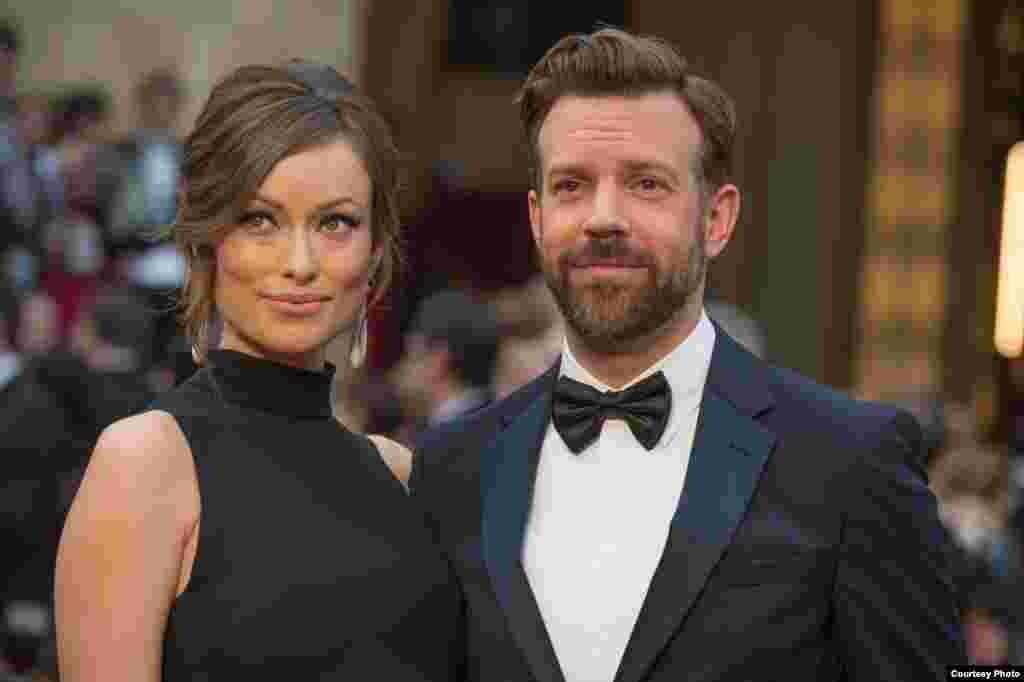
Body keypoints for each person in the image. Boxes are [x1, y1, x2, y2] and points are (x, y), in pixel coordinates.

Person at [411, 27, 965, 681]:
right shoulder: (454, 472)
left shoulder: (850, 468)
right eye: (571, 186)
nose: (602, 217)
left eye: (646, 184)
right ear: (536, 220)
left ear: (716, 219)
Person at [54, 60, 460, 680]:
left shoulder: (404, 478)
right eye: (259, 220)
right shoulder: (146, 463)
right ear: (206, 244)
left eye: (335, 223)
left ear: (374, 254)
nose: (299, 263)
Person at [391, 288, 500, 442]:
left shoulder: (457, 439)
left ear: (439, 357)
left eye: (410, 354)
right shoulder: (500, 424)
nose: (401, 368)